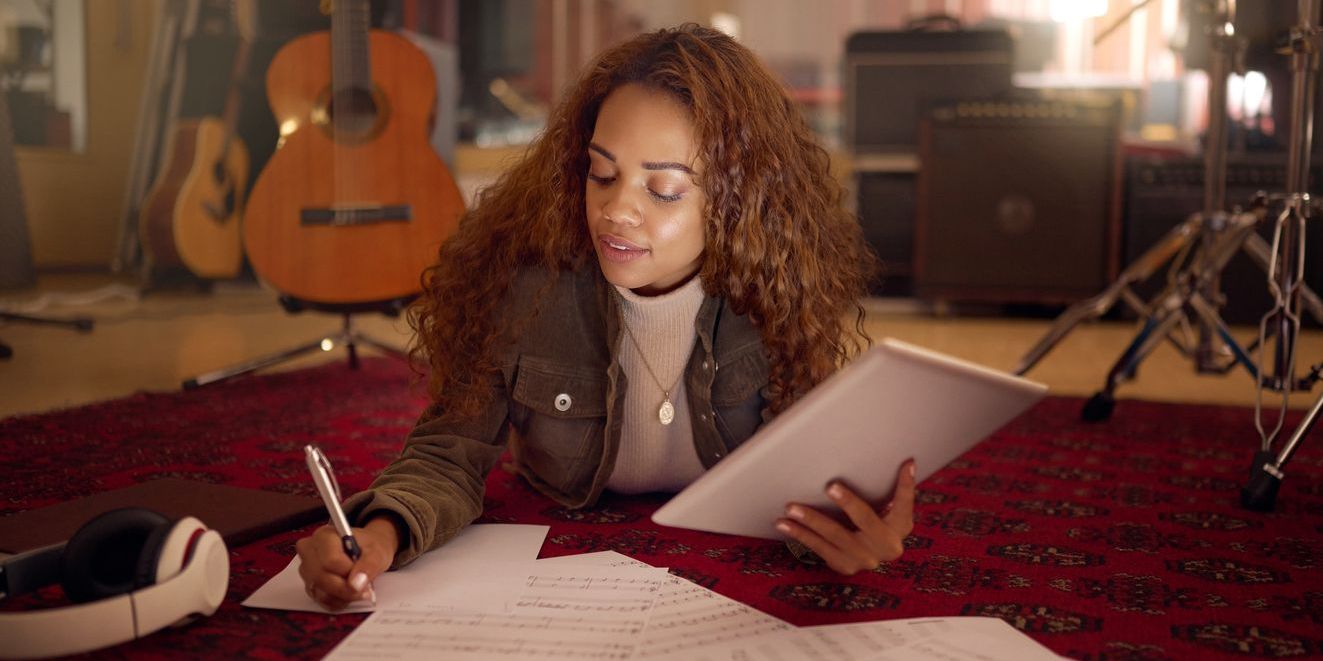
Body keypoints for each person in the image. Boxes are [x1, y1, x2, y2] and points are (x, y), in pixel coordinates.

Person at [297, 23, 917, 611]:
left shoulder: (777, 291)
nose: (617, 210)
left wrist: (849, 526)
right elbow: (447, 453)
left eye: (664, 190)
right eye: (602, 174)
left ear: (737, 197)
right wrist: (379, 535)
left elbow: (809, 477)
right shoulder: (522, 285)